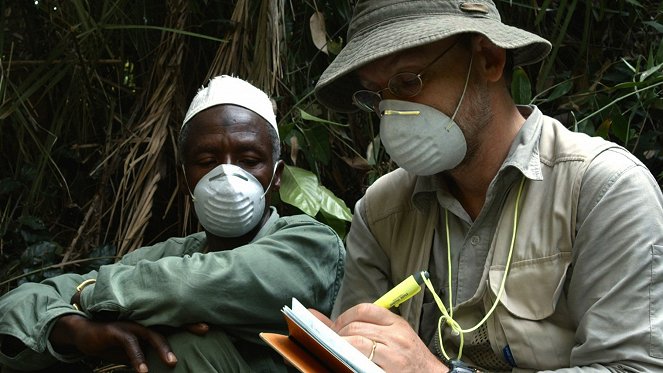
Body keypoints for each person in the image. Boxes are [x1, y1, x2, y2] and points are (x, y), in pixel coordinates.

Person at [311, 0, 663, 372]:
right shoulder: (382, 212)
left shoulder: (602, 190)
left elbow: (633, 367)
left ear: (489, 60)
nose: (391, 112)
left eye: (407, 81)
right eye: (376, 95)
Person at [0, 75, 345, 372]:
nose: (227, 174)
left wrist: (86, 297)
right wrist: (73, 329)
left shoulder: (311, 243)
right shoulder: (166, 257)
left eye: (249, 160)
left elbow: (191, 287)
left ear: (277, 175)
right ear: (185, 179)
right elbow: (17, 305)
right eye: (207, 160)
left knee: (189, 345)